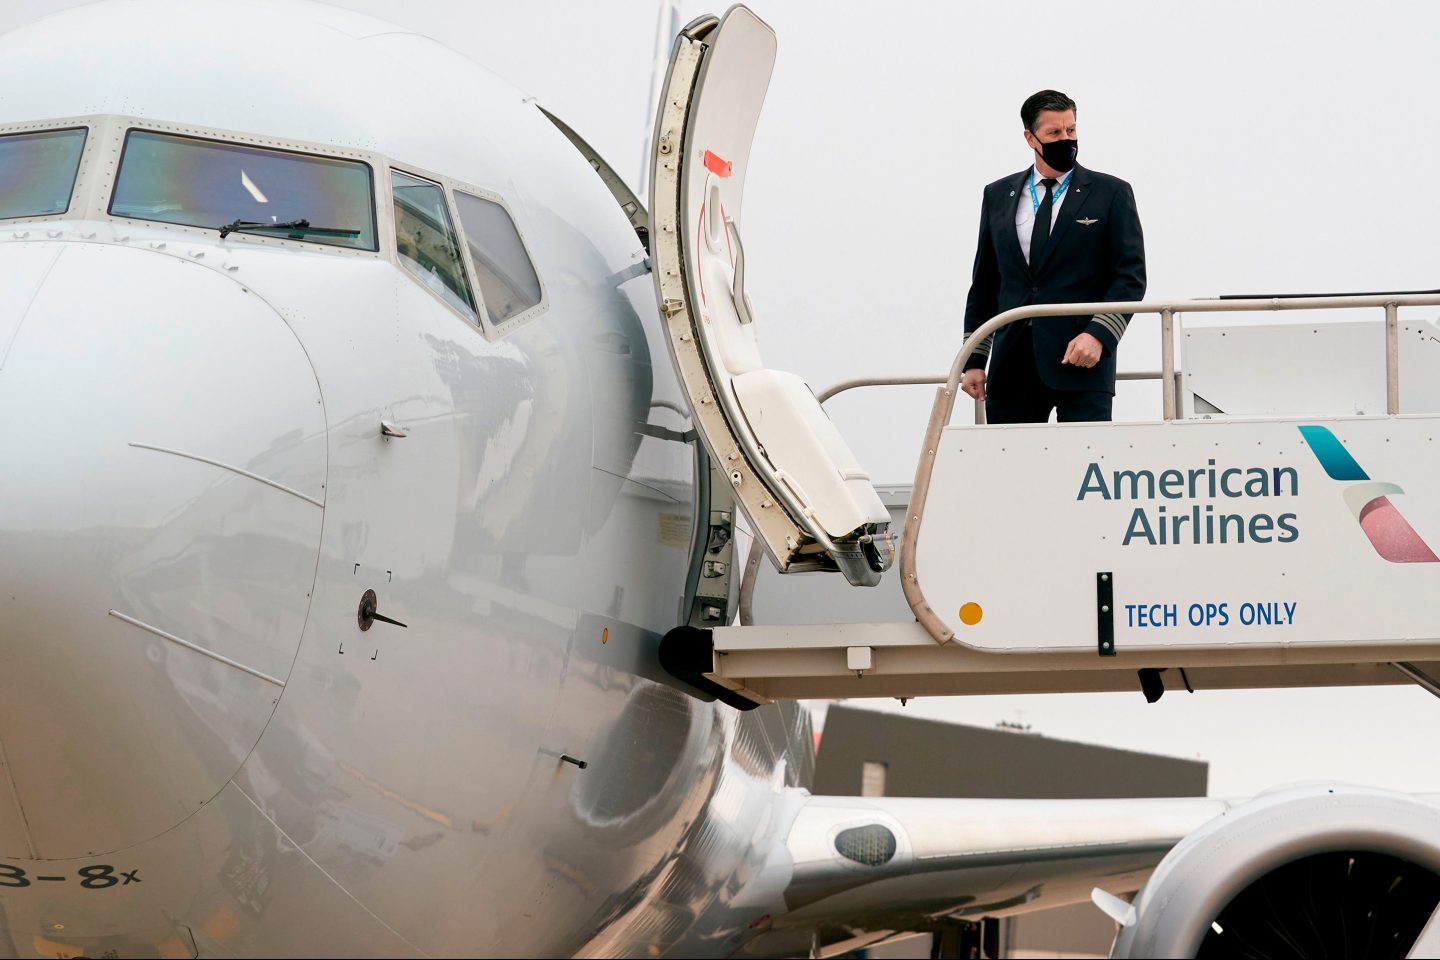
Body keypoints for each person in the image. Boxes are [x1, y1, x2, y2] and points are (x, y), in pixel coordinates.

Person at [960, 89, 1146, 423]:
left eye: (1071, 130)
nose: (1066, 139)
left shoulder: (1111, 193)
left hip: (1082, 362)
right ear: (1031, 138)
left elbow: (1129, 278)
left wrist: (1098, 335)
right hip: (1011, 365)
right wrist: (974, 359)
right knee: (1012, 471)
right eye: (1054, 133)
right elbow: (986, 283)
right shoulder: (998, 195)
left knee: (1084, 468)